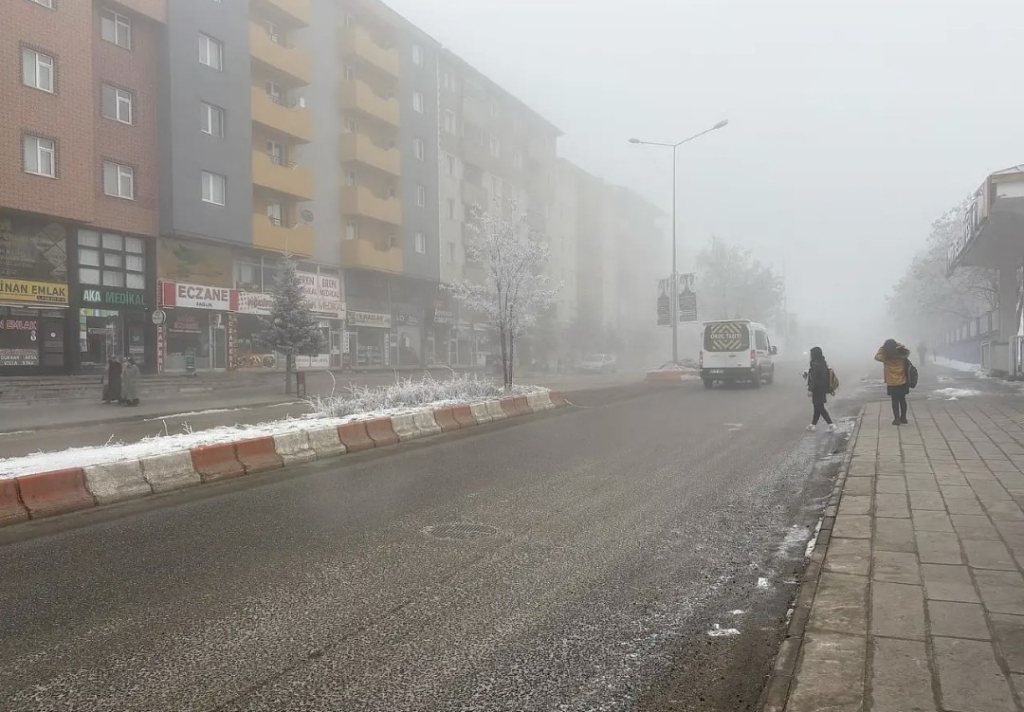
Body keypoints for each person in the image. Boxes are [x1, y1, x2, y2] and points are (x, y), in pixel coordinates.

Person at [876, 339, 911, 425]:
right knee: (902, 399)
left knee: (894, 401)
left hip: (892, 382)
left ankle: (896, 419)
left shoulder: (886, 357)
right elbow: (905, 350)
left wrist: (882, 348)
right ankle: (904, 418)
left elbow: (877, 356)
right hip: (902, 380)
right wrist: (898, 345)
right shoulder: (902, 355)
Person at [805, 346, 836, 432]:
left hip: (817, 389)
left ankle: (831, 425)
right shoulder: (822, 363)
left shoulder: (815, 364)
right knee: (817, 406)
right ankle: (813, 425)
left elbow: (814, 378)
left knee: (820, 407)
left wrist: (810, 389)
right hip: (822, 388)